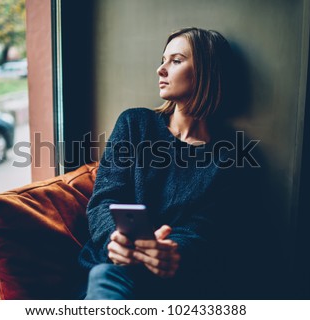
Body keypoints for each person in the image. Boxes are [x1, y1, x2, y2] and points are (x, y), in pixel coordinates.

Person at [76, 27, 262, 299]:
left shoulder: (230, 155)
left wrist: (172, 251)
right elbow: (104, 199)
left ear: (206, 72)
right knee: (106, 277)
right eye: (163, 60)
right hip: (111, 267)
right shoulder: (135, 124)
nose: (160, 70)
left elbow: (205, 228)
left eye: (175, 60)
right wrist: (115, 240)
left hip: (173, 284)